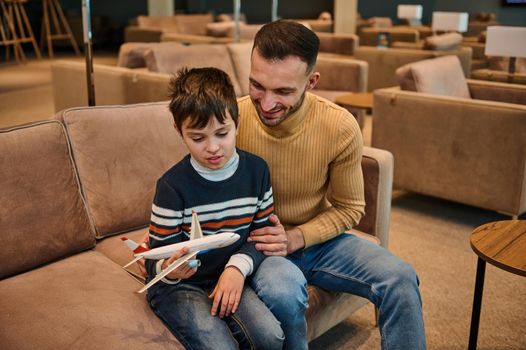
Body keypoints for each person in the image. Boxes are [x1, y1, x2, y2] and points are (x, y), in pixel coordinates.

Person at [236, 20, 427, 350]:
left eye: (283, 91)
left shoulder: (339, 126)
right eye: (257, 86)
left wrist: (297, 236)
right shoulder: (231, 121)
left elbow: (350, 208)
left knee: (400, 279)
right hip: (262, 247)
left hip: (317, 239)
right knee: (285, 291)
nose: (266, 104)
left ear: (312, 81)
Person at [144, 67, 285, 350]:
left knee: (270, 337)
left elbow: (262, 237)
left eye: (222, 133)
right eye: (198, 138)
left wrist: (236, 268)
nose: (213, 148)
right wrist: (170, 269)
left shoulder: (257, 171)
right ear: (178, 131)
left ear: (237, 122)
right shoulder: (172, 186)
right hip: (179, 287)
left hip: (229, 273)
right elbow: (154, 260)